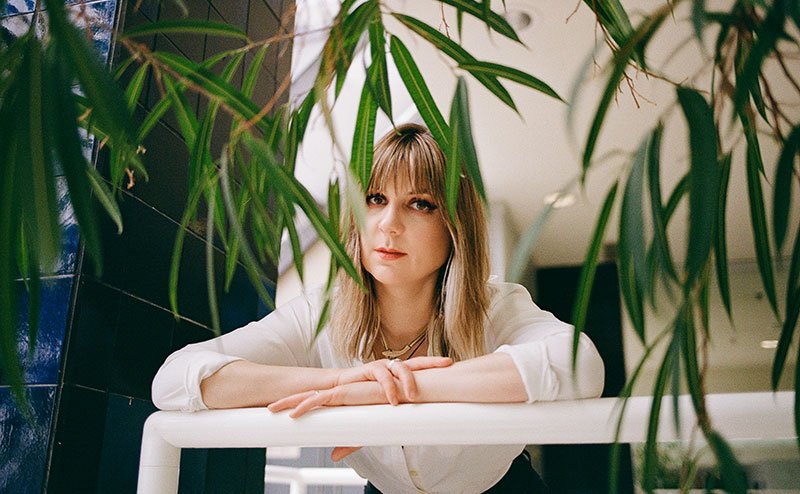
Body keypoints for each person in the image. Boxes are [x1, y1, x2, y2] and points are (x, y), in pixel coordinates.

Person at [152, 123, 605, 493]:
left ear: (454, 227)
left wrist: (393, 391)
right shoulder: (319, 314)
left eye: (420, 204)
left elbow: (580, 365)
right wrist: (340, 382)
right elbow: (175, 380)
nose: (389, 224)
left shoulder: (495, 307)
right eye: (375, 199)